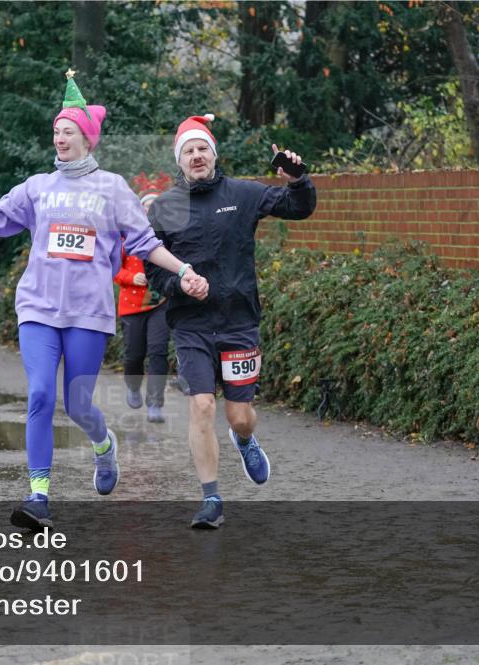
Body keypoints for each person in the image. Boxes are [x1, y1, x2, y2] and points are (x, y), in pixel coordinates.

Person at [0, 72, 209, 531]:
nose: (60, 138)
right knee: (39, 394)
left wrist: (184, 269)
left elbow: (145, 243)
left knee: (77, 405)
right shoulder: (37, 187)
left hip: (88, 314)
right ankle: (39, 496)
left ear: (87, 139)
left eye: (68, 131)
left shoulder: (113, 189)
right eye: (56, 131)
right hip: (37, 308)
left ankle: (102, 445)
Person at [145, 114, 317, 529]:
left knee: (238, 414)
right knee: (202, 405)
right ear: (180, 161)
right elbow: (153, 271)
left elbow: (299, 207)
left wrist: (297, 178)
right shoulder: (166, 207)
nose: (197, 155)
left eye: (203, 148)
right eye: (188, 150)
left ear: (214, 154)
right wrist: (180, 286)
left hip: (239, 322)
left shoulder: (241, 193)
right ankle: (211, 499)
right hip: (191, 326)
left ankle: (244, 439)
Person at [114, 172, 174, 423]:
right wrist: (131, 278)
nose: (151, 210)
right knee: (134, 354)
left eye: (155, 206)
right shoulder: (126, 236)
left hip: (159, 303)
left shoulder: (168, 236)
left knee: (158, 351)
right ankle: (132, 385)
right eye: (147, 205)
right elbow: (113, 268)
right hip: (131, 304)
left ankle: (155, 404)